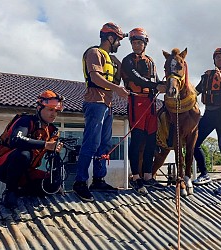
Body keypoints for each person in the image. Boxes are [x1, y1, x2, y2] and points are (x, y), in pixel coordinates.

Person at [73, 22, 130, 202]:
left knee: (104, 144)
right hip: (95, 103)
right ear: (110, 38)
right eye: (118, 40)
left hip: (107, 105)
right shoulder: (94, 53)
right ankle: (80, 182)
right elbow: (95, 77)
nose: (119, 44)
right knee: (92, 142)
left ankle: (98, 179)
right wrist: (117, 89)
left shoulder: (112, 60)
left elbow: (127, 75)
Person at [0, 90, 65, 208]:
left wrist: (56, 182)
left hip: (27, 172)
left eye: (56, 111)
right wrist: (46, 144)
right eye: (50, 110)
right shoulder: (26, 121)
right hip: (3, 166)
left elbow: (53, 159)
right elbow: (17, 139)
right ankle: (10, 192)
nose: (54, 114)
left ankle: (21, 191)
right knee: (24, 154)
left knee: (51, 186)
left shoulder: (52, 131)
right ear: (39, 108)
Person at [121, 27, 166, 195]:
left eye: (139, 42)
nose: (136, 45)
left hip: (151, 102)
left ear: (145, 44)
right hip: (136, 101)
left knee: (151, 140)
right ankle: (136, 177)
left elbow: (156, 79)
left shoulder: (151, 61)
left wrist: (166, 85)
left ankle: (148, 176)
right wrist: (156, 86)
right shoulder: (128, 60)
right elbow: (135, 78)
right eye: (134, 42)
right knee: (137, 139)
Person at [192, 47, 221, 195]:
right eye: (217, 57)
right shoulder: (206, 76)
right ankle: (205, 174)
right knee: (194, 143)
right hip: (209, 114)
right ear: (214, 59)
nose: (220, 60)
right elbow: (196, 91)